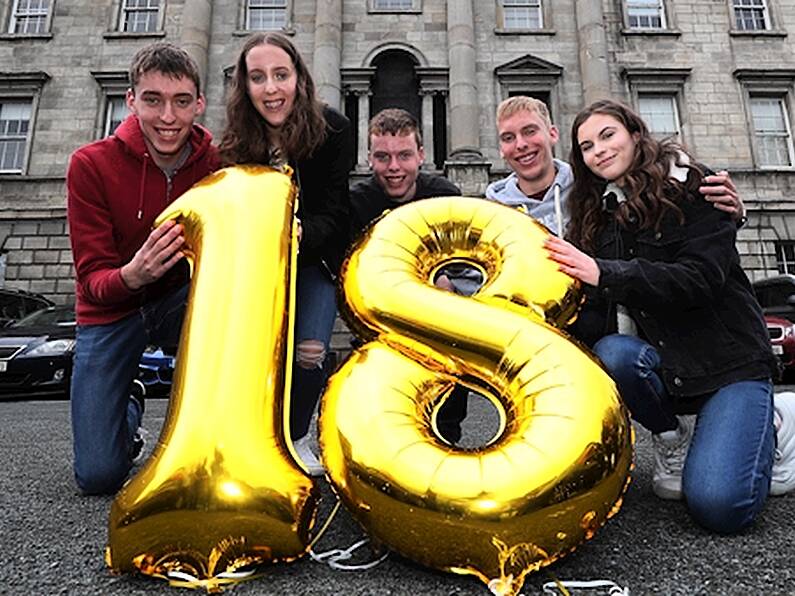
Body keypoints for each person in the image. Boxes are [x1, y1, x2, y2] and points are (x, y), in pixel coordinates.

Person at [544, 98, 795, 534]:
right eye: (586, 146)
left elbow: (699, 279)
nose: (598, 150)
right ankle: (671, 434)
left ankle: (779, 422)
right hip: (670, 369)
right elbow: (597, 312)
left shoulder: (697, 187)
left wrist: (604, 272)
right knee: (614, 353)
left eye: (608, 136)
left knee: (719, 508)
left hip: (727, 364)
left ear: (635, 134)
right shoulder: (596, 215)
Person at [67, 43, 218, 494]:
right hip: (113, 310)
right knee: (97, 476)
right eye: (153, 100)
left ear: (200, 104)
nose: (168, 117)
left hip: (180, 302)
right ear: (131, 100)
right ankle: (127, 400)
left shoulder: (216, 166)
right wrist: (133, 275)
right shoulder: (90, 165)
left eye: (181, 102)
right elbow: (92, 280)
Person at [218, 32, 353, 475]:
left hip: (312, 257)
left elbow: (334, 210)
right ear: (245, 86)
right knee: (256, 352)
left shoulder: (333, 130)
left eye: (281, 75)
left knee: (310, 349)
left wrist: (290, 235)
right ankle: (253, 436)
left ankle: (296, 435)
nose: (271, 88)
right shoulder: (235, 142)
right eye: (258, 78)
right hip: (256, 266)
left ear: (299, 78)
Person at [349, 108, 471, 443]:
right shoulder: (356, 203)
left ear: (421, 155)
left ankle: (447, 435)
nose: (394, 168)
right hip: (382, 317)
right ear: (369, 158)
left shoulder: (445, 195)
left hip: (435, 315)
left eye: (404, 155)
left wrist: (444, 280)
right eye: (383, 157)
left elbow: (457, 261)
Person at [486, 96, 746, 235]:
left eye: (530, 131)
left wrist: (733, 214)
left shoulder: (596, 188)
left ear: (553, 134)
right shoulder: (490, 212)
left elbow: (659, 208)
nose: (520, 144)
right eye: (508, 138)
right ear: (500, 149)